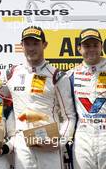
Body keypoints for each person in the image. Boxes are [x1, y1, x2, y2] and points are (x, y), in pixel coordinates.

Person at [5, 26, 76, 169]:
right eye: (27, 44)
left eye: (35, 43)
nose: (31, 48)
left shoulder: (57, 75)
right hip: (22, 144)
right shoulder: (12, 73)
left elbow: (69, 116)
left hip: (49, 143)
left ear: (45, 45)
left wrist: (59, 142)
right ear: (22, 46)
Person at [67, 28, 106, 169]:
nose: (92, 49)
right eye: (87, 46)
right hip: (83, 136)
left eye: (95, 45)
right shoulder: (70, 75)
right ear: (79, 49)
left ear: (101, 47)